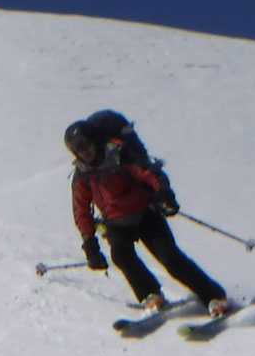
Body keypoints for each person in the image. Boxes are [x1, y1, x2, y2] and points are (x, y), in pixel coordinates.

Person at [64, 112, 233, 315]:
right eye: (78, 149)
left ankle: (213, 296)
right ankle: (150, 295)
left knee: (170, 259)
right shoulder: (82, 175)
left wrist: (163, 193)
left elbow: (149, 173)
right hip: (117, 222)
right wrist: (89, 242)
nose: (85, 151)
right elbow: (81, 209)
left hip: (145, 213)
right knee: (121, 255)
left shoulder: (120, 154)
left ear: (94, 140)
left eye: (86, 144)